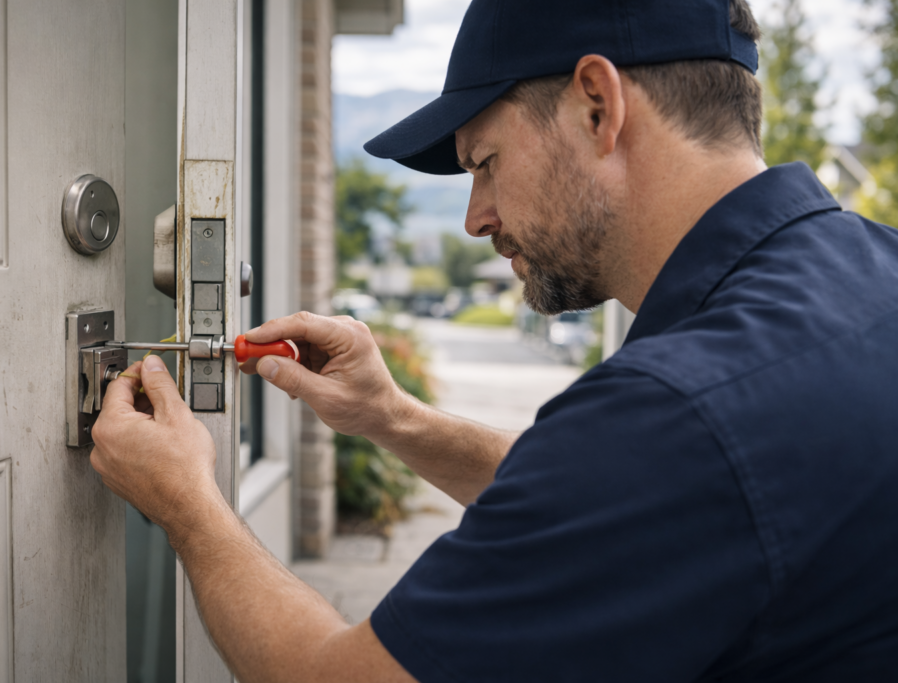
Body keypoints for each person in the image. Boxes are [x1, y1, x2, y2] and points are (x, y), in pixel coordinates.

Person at [90, 0, 898, 680]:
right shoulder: (869, 276)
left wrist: (187, 502)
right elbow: (619, 502)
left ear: (596, 105)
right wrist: (392, 417)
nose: (476, 217)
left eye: (483, 161)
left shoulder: (679, 410)